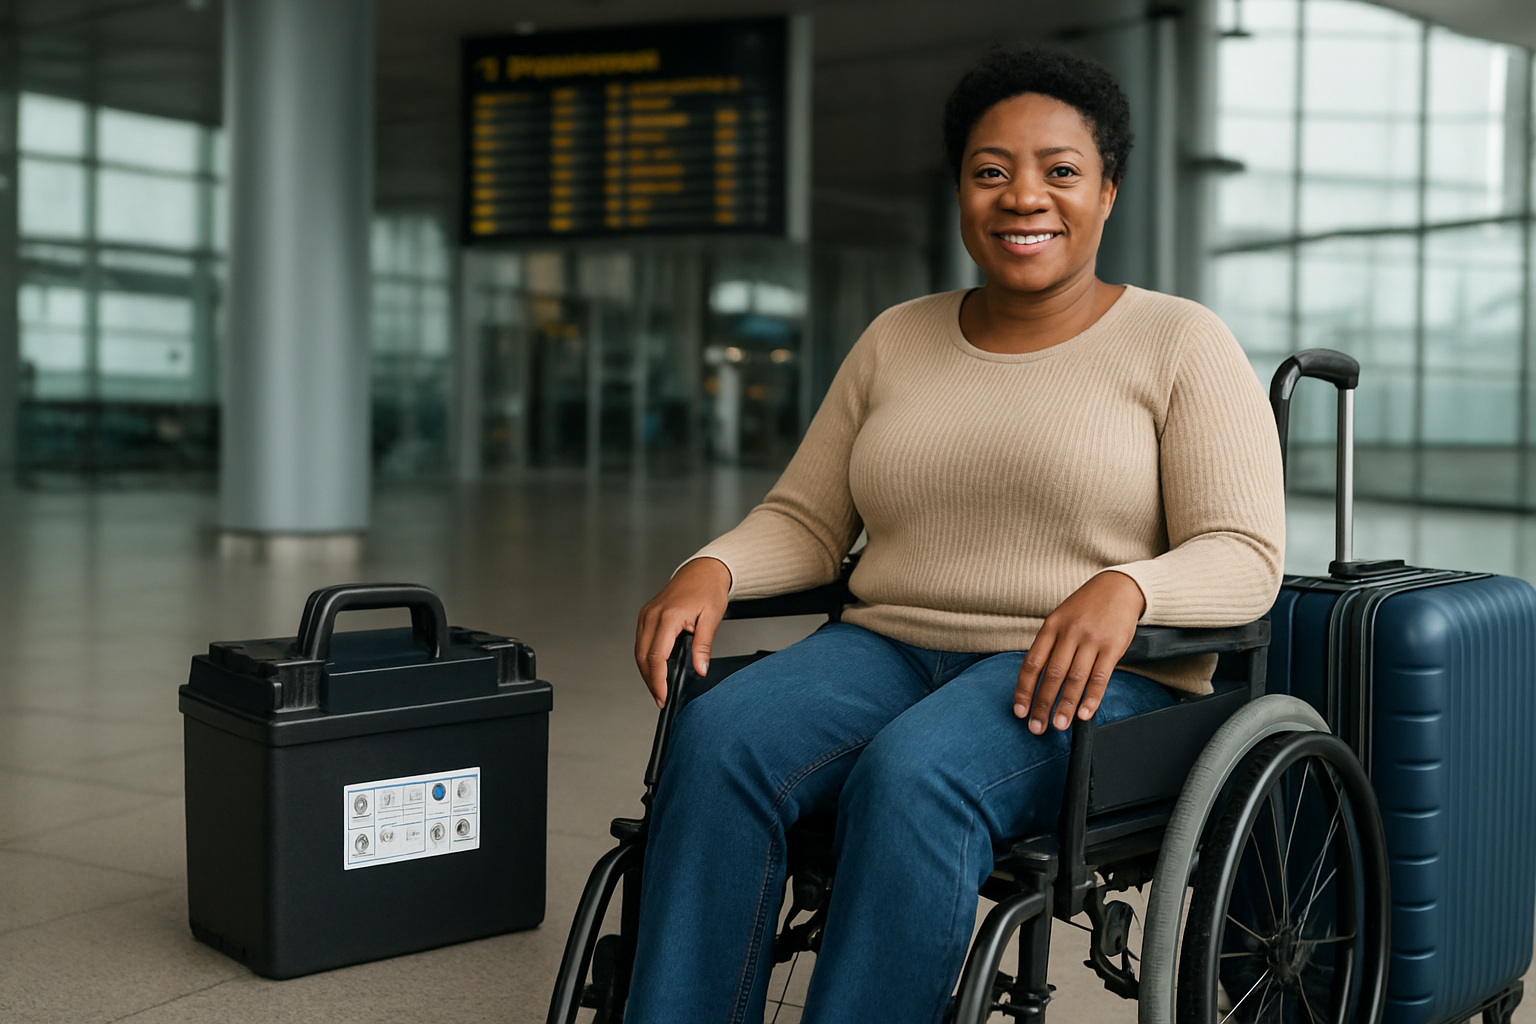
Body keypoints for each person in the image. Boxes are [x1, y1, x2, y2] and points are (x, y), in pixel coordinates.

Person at [625, 44, 1285, 1024]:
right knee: (718, 736)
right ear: (961, 191)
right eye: (992, 171)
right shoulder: (897, 336)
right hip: (886, 647)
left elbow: (1243, 551)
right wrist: (714, 565)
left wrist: (1130, 587)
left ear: (1108, 190)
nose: (1025, 196)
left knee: (915, 774)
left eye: (1060, 170)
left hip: (1092, 673)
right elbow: (808, 522)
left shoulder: (1179, 341)